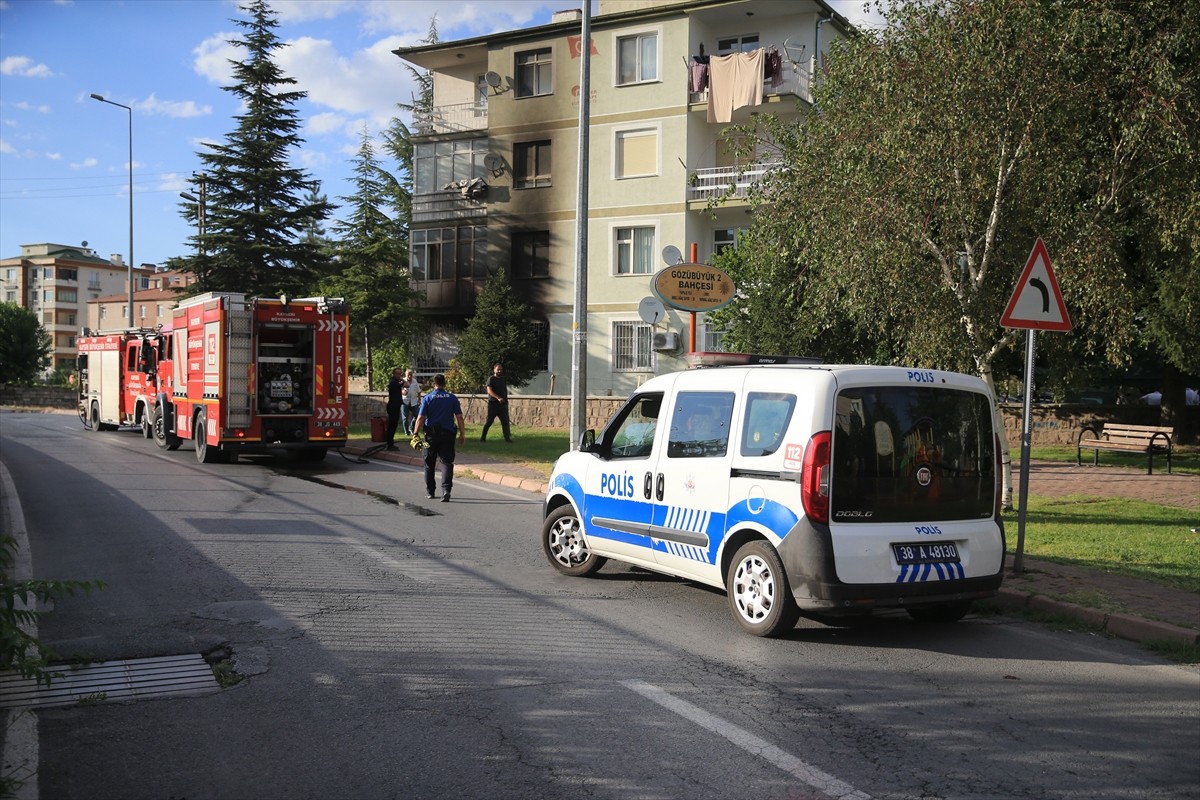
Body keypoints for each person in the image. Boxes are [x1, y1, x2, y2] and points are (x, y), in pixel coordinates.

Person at [412, 373, 466, 502]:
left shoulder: (428, 398)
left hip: (429, 437)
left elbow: (420, 417)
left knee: (428, 464)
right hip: (448, 436)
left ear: (433, 384)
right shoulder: (452, 398)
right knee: (447, 462)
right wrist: (463, 434)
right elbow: (459, 417)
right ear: (444, 384)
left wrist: (415, 434)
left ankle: (431, 492)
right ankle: (446, 490)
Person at [480, 362, 512, 442]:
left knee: (505, 422)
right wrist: (498, 398)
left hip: (503, 405)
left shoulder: (503, 379)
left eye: (501, 370)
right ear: (494, 370)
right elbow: (489, 390)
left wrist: (505, 401)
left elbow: (504, 391)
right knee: (489, 422)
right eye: (498, 369)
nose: (499, 371)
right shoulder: (491, 379)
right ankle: (483, 438)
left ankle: (507, 438)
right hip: (493, 404)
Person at [384, 367, 405, 450]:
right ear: (394, 374)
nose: (399, 375)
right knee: (392, 426)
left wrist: (401, 379)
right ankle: (390, 444)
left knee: (393, 425)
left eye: (400, 374)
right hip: (393, 406)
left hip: (395, 406)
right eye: (397, 374)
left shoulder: (395, 382)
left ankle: (390, 443)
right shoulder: (393, 383)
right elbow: (407, 384)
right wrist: (402, 379)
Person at [400, 368, 421, 435]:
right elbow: (398, 390)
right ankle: (407, 432)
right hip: (404, 401)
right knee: (405, 418)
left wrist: (419, 399)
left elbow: (419, 391)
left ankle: (411, 427)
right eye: (408, 375)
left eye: (411, 375)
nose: (409, 376)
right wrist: (402, 391)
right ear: (405, 375)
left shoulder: (415, 381)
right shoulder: (402, 381)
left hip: (414, 401)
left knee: (417, 416)